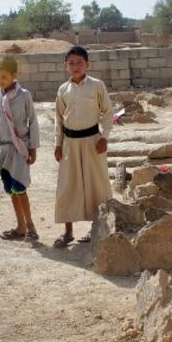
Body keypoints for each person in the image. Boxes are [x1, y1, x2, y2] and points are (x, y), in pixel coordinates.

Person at [53, 45, 114, 248]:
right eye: (71, 63)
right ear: (65, 66)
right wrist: (57, 144)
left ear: (87, 64)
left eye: (80, 62)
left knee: (96, 185)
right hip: (69, 144)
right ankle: (68, 232)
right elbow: (58, 120)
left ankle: (95, 228)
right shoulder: (63, 90)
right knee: (67, 187)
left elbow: (107, 112)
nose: (76, 66)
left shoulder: (97, 86)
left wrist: (104, 137)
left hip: (92, 143)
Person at [0, 56, 40, 240]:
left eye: (4, 77)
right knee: (12, 190)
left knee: (20, 188)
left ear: (14, 75)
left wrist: (33, 148)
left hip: (20, 149)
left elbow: (32, 121)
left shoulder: (24, 95)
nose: (0, 81)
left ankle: (31, 225)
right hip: (3, 149)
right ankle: (20, 226)